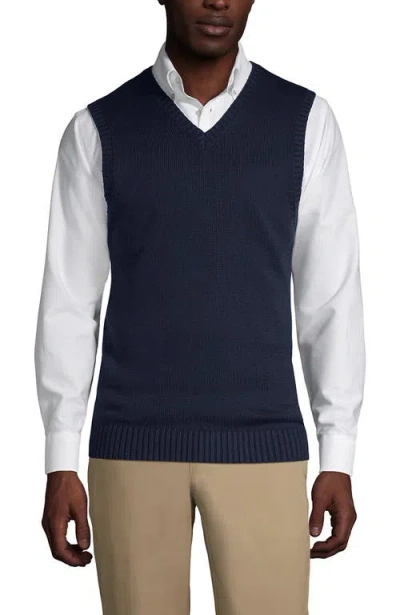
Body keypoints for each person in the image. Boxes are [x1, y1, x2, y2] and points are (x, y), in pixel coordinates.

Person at [34, 1, 366, 613]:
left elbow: (330, 299)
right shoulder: (98, 129)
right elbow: (70, 302)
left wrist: (338, 454)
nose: (218, 1)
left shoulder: (305, 122)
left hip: (264, 445)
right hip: (130, 450)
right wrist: (60, 458)